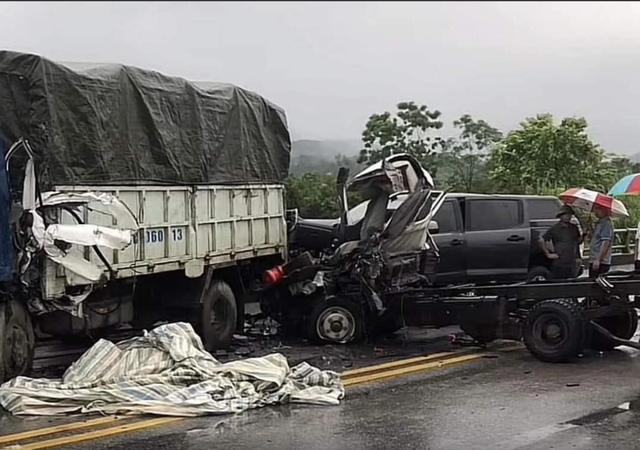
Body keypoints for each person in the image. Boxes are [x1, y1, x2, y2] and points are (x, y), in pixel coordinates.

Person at [539, 205, 584, 279]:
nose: (568, 216)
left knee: (571, 283)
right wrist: (548, 254)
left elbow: (578, 242)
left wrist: (584, 235)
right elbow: (541, 240)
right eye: (565, 214)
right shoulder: (555, 228)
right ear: (560, 216)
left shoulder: (574, 228)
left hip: (572, 262)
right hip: (559, 262)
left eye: (569, 214)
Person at [589, 205, 614, 278]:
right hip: (594, 258)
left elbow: (606, 242)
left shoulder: (606, 224)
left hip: (601, 261)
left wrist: (598, 259)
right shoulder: (599, 223)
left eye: (598, 209)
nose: (596, 212)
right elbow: (596, 238)